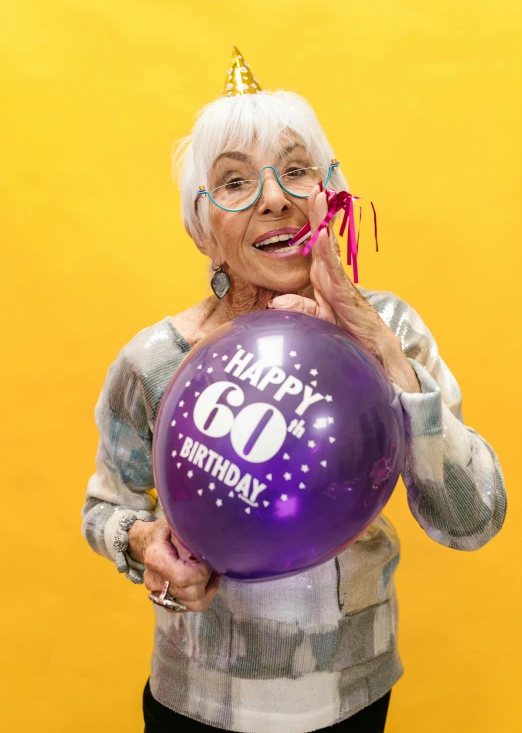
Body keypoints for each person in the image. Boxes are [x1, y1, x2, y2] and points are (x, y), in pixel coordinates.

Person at [81, 47, 507, 733]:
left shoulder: (389, 329)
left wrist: (387, 358)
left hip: (352, 696)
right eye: (235, 181)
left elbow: (473, 519)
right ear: (202, 228)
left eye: (296, 170)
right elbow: (105, 506)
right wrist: (143, 544)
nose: (275, 197)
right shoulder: (157, 359)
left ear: (327, 193)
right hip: (199, 703)